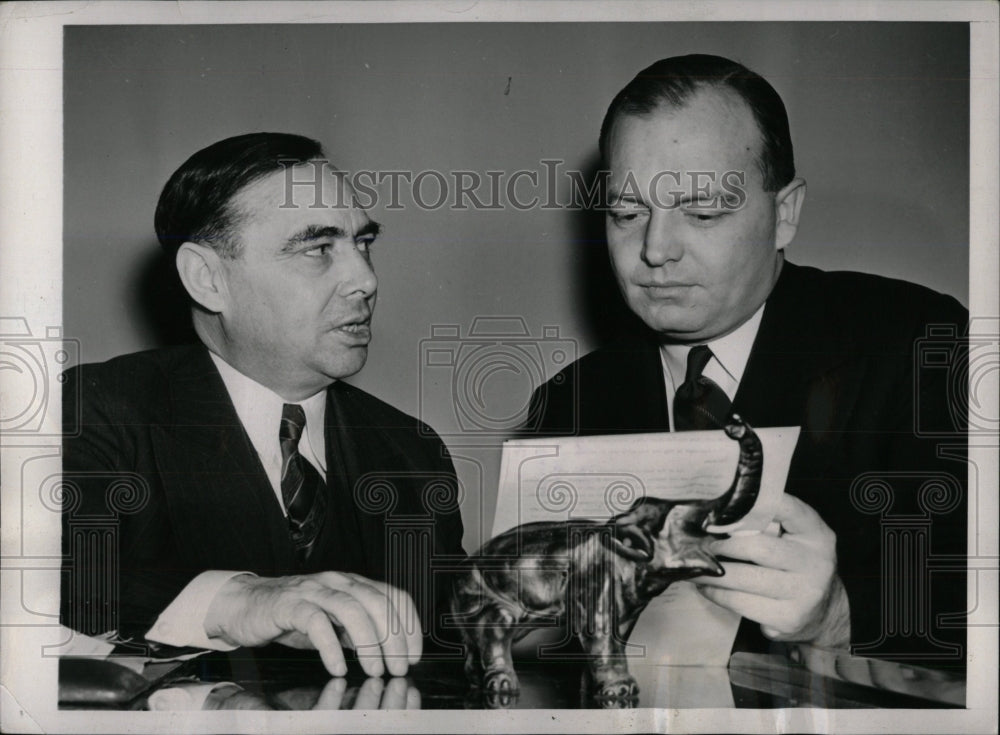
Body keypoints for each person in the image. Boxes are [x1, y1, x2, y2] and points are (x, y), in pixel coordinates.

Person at [529, 55, 967, 668]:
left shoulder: (916, 343)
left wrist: (840, 617)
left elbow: (973, 604)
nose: (655, 250)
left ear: (784, 213)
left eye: (703, 212)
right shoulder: (566, 402)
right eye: (626, 213)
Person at [60, 133, 466, 678]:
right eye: (318, 249)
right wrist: (240, 601)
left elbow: (451, 654)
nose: (366, 280)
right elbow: (41, 573)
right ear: (208, 280)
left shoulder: (411, 452)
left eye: (363, 244)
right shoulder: (102, 411)